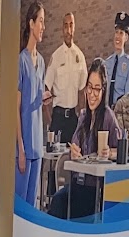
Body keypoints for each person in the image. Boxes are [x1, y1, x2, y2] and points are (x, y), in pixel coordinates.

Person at [46, 62, 123, 220]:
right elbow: (74, 146)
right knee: (58, 201)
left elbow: (121, 151)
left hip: (95, 189)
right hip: (78, 183)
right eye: (89, 87)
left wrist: (109, 153)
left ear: (103, 90)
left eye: (97, 89)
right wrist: (73, 152)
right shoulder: (82, 116)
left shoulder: (108, 117)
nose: (92, 94)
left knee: (69, 206)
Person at [16, 1, 47, 211]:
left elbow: (36, 99)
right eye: (41, 21)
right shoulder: (21, 61)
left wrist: (44, 99)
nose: (43, 27)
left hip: (37, 146)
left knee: (32, 207)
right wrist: (20, 148)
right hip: (24, 147)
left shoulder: (42, 62)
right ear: (31, 23)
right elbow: (16, 109)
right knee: (20, 209)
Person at [44, 11, 87, 154]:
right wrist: (50, 120)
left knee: (73, 156)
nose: (68, 30)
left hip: (73, 119)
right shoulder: (56, 56)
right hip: (58, 117)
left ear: (74, 27)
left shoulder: (80, 57)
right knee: (54, 159)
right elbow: (46, 88)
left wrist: (82, 119)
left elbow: (82, 90)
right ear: (62, 29)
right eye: (65, 26)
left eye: (71, 25)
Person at [101, 12, 129, 105]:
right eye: (116, 32)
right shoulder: (107, 62)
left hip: (120, 110)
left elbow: (128, 93)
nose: (117, 36)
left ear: (126, 37)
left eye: (121, 33)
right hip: (106, 110)